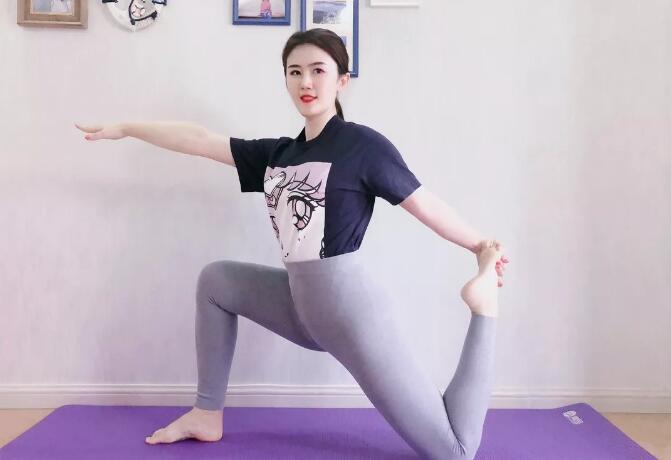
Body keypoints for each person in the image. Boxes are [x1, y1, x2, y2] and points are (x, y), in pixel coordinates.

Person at [75, 27, 510, 460]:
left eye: (318, 70)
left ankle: (484, 307)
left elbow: (424, 203)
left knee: (454, 451)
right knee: (216, 281)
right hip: (301, 307)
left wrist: (479, 246)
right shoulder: (280, 154)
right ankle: (206, 414)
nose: (306, 81)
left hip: (350, 315)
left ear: (342, 80)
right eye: (295, 71)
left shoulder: (362, 146)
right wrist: (126, 128)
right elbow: (201, 140)